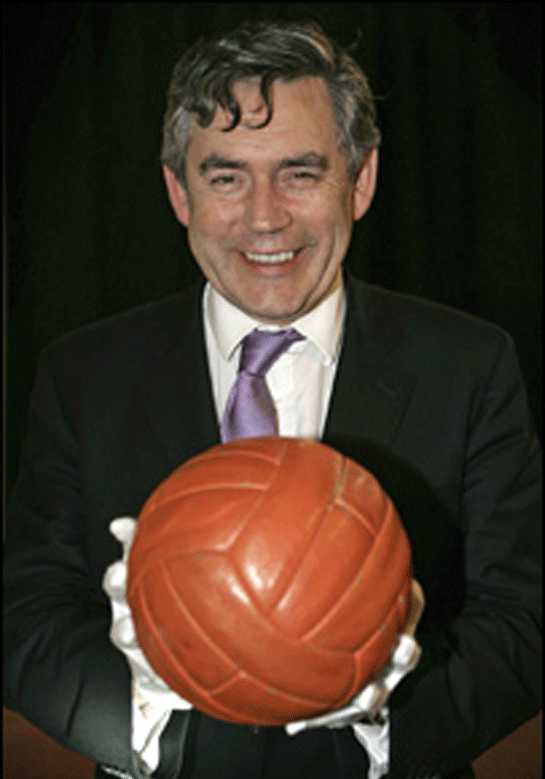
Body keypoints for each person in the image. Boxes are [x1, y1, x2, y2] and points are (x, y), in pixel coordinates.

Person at [3, 18, 541, 779]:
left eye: (299, 174)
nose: (263, 218)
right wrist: (146, 698)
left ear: (359, 181)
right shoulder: (82, 375)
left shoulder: (470, 365)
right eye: (226, 178)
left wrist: (384, 716)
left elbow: (524, 619)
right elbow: (25, 616)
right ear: (179, 192)